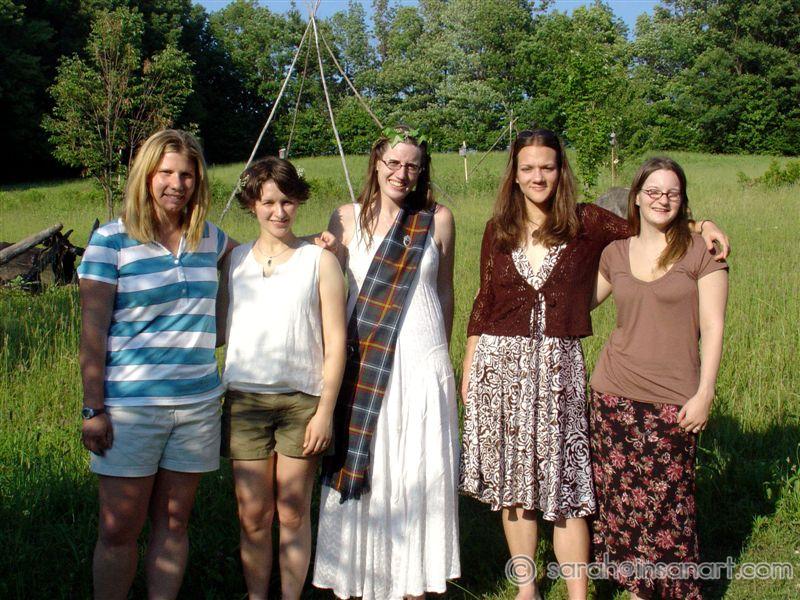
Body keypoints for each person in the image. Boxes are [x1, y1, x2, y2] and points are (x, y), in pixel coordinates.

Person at [458, 129, 730, 600]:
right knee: (514, 488)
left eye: (547, 167)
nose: (538, 176)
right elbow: (485, 300)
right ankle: (527, 587)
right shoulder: (497, 228)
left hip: (559, 366)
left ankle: (577, 594)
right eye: (528, 168)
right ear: (515, 175)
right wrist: (469, 362)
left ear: (560, 171)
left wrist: (701, 224)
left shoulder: (586, 222)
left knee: (567, 486)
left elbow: (648, 222)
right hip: (499, 367)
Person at [78, 129, 233, 599]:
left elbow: (267, 252)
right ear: (146, 175)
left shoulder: (210, 238)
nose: (176, 184)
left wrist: (317, 242)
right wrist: (93, 409)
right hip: (131, 409)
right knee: (118, 529)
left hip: (197, 404)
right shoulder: (111, 241)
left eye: (187, 175)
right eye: (166, 172)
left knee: (174, 523)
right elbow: (92, 333)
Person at [312, 125, 460, 599]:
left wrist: (443, 357)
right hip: (366, 360)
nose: (402, 173)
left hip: (422, 362)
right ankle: (357, 577)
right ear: (376, 163)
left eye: (412, 165)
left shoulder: (437, 219)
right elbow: (325, 282)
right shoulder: (345, 218)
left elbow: (445, 291)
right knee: (370, 466)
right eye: (393, 162)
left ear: (422, 170)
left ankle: (414, 579)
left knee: (418, 471)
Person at [588, 157, 728, 599]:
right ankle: (637, 589)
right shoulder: (615, 253)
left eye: (672, 193)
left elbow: (714, 326)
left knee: (670, 507)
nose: (661, 200)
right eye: (653, 191)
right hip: (612, 396)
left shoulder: (703, 251)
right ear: (636, 197)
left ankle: (671, 590)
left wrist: (705, 393)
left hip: (674, 400)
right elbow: (578, 303)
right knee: (621, 505)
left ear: (683, 200)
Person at [215, 157, 346, 600]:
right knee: (253, 516)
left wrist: (325, 412)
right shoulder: (234, 261)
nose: (279, 211)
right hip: (245, 402)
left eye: (287, 201)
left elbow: (335, 342)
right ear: (252, 204)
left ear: (299, 202)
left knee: (292, 513)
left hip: (301, 402)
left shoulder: (319, 261)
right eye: (268, 202)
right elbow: (218, 328)